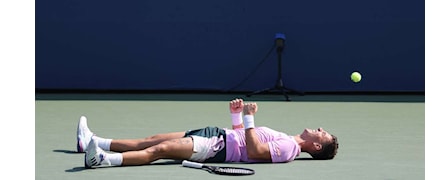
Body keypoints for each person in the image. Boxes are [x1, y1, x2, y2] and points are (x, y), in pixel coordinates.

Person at [77, 98, 338, 168]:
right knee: (152, 139)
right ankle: (93, 141)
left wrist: (249, 118)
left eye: (323, 134)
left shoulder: (290, 150)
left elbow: (256, 151)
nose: (321, 129)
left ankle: (102, 160)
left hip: (216, 148)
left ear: (315, 147)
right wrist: (237, 116)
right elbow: (246, 140)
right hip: (217, 134)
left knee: (158, 151)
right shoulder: (288, 138)